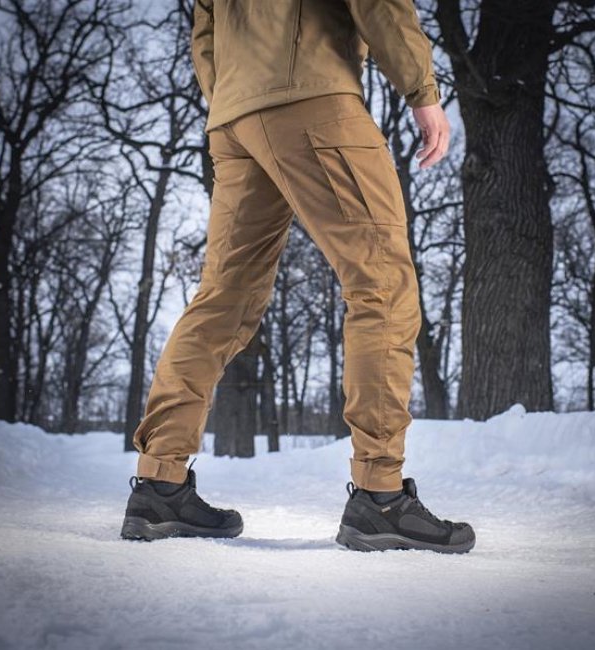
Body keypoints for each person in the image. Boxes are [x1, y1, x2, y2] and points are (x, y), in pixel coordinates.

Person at [121, 0, 475, 554]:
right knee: (383, 285)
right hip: (312, 96)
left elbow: (205, 29)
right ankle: (380, 497)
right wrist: (422, 90)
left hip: (234, 115)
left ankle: (159, 485)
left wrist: (233, 95)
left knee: (223, 299)